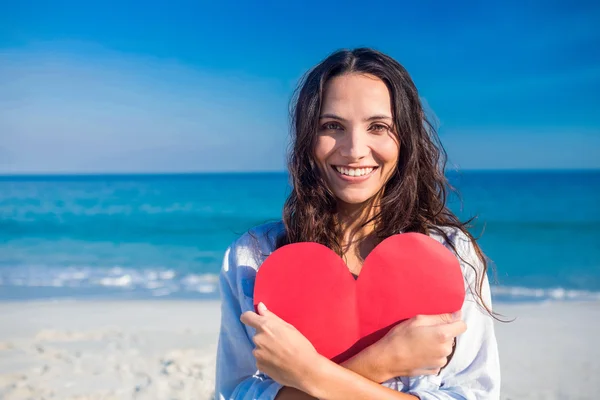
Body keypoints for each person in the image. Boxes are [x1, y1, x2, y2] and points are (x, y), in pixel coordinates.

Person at [215, 48, 500, 400]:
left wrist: (308, 374)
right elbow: (234, 393)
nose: (354, 150)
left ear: (405, 140)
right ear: (307, 139)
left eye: (378, 127)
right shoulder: (252, 258)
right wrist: (381, 362)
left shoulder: (451, 255)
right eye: (332, 126)